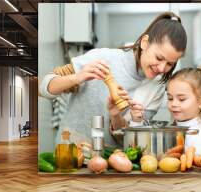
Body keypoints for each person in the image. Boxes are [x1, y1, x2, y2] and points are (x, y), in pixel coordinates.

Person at [39, 12, 187, 146]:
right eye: (159, 58)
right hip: (69, 153)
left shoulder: (156, 88)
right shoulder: (103, 58)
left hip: (112, 162)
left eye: (169, 64)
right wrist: (78, 77)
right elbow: (43, 88)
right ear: (144, 43)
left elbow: (130, 142)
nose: (161, 69)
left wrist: (116, 116)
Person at [131, 66, 201, 158]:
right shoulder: (168, 130)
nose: (174, 104)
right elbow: (140, 150)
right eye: (170, 98)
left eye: (181, 99)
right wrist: (136, 121)